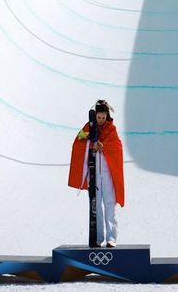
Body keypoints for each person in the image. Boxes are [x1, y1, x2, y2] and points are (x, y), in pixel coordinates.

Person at [68, 99, 125, 248]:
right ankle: (98, 238)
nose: (100, 120)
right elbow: (78, 140)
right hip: (94, 173)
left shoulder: (111, 130)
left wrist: (103, 146)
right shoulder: (89, 127)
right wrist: (90, 144)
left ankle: (111, 237)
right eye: (98, 117)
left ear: (107, 116)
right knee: (96, 206)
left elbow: (117, 147)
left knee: (110, 204)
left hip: (107, 173)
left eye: (103, 117)